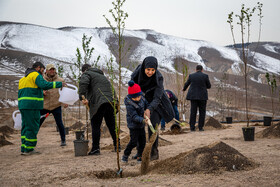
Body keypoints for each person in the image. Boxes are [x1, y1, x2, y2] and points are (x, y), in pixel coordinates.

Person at [131, 56, 174, 160]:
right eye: (148, 69)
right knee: (138, 125)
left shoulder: (158, 77)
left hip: (157, 104)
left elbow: (157, 98)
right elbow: (133, 91)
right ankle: (140, 152)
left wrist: (149, 109)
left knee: (153, 126)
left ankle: (154, 151)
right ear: (144, 68)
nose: (150, 72)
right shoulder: (136, 75)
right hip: (141, 100)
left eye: (152, 70)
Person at [18, 61, 65, 155]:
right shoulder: (35, 75)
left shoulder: (23, 78)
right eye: (42, 70)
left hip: (23, 105)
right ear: (38, 68)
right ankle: (29, 149)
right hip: (33, 105)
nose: (42, 73)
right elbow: (44, 85)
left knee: (25, 126)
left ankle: (24, 147)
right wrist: (59, 84)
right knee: (33, 126)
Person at [79, 64, 119, 156]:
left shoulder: (87, 73)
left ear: (84, 70)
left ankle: (96, 149)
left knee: (96, 125)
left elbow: (83, 83)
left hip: (99, 103)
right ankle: (117, 145)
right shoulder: (102, 76)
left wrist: (82, 97)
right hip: (110, 102)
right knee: (112, 125)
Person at [39, 64, 68, 146]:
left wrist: (66, 102)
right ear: (46, 71)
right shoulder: (41, 80)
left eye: (53, 69)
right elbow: (37, 90)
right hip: (45, 106)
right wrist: (42, 93)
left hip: (56, 105)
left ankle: (63, 140)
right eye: (50, 69)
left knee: (60, 123)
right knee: (38, 123)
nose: (52, 71)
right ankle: (32, 140)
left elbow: (65, 92)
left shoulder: (60, 80)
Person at [121, 80, 149, 163]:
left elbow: (146, 105)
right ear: (131, 97)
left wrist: (147, 110)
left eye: (138, 97)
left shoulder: (142, 98)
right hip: (133, 125)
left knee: (143, 141)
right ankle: (126, 154)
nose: (137, 99)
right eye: (135, 97)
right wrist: (143, 120)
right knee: (133, 142)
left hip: (141, 125)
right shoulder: (129, 104)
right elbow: (134, 116)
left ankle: (139, 156)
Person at [183, 65, 211, 131]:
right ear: (202, 70)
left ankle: (192, 127)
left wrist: (184, 89)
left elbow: (187, 84)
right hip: (202, 97)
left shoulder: (191, 76)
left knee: (193, 112)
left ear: (196, 69)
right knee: (202, 112)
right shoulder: (205, 76)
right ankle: (200, 127)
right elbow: (209, 86)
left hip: (193, 96)